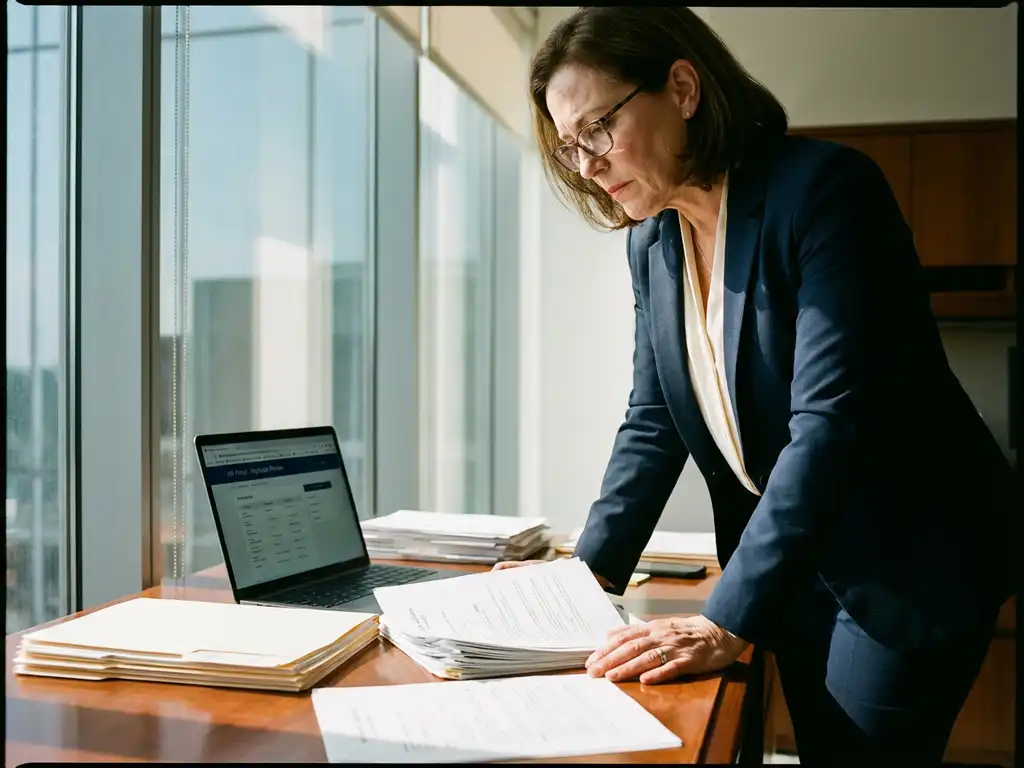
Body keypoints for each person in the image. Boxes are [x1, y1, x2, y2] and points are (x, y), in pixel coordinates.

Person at [493, 6, 1018, 764]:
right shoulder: (654, 240)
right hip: (795, 567)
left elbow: (830, 426)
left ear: (682, 87)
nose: (588, 165)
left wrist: (722, 621)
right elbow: (654, 418)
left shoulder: (828, 193)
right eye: (570, 148)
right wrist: (584, 576)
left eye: (598, 130)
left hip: (902, 564)